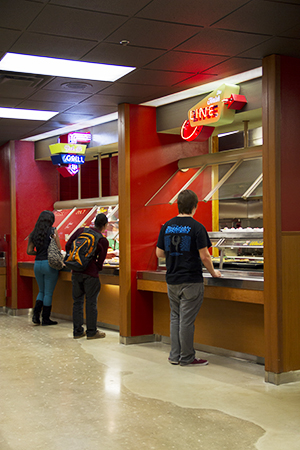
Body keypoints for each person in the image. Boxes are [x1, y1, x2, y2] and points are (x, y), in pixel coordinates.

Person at [156, 189, 221, 367]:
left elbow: (159, 252)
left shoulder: (167, 226)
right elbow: (205, 256)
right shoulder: (197, 227)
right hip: (191, 279)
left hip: (172, 279)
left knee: (175, 317)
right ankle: (187, 357)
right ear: (195, 206)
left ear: (178, 205)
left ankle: (174, 356)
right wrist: (214, 273)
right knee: (186, 320)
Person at [65, 213, 109, 340]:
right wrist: (94, 266)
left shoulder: (81, 231)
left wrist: (76, 261)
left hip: (76, 271)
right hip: (91, 275)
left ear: (94, 222)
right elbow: (101, 261)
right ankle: (91, 332)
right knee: (91, 302)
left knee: (77, 302)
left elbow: (68, 246)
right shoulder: (102, 240)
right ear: (105, 225)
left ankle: (78, 331)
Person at [27, 210, 61, 326]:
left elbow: (29, 251)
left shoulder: (34, 233)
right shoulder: (53, 231)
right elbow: (58, 248)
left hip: (38, 264)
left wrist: (39, 253)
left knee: (41, 291)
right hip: (49, 264)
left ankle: (36, 316)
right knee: (48, 293)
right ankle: (46, 319)